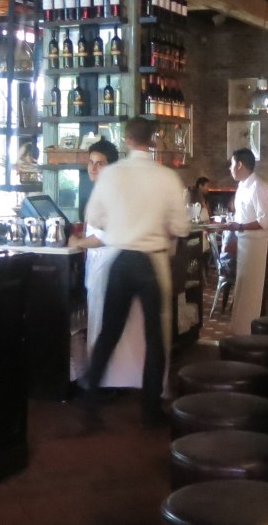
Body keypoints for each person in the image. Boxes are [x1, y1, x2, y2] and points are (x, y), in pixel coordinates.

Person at [82, 118, 190, 426]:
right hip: (151, 261)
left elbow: (94, 218)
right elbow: (181, 227)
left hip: (120, 259)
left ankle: (89, 402)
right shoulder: (166, 177)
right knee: (155, 338)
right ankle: (150, 410)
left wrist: (122, 225)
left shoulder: (112, 174)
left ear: (127, 139)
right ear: (152, 139)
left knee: (109, 332)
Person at [70, 139, 145, 390]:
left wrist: (78, 243)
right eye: (90, 163)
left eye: (99, 163)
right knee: (102, 322)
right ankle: (104, 380)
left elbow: (104, 236)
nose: (93, 168)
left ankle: (100, 382)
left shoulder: (111, 193)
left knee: (101, 323)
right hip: (102, 264)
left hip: (106, 264)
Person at [222, 147, 268, 336]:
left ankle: (247, 334)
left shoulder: (259, 187)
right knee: (242, 288)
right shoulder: (242, 186)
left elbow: (267, 220)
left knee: (251, 292)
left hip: (255, 246)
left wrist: (241, 227)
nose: (230, 168)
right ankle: (238, 331)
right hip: (243, 243)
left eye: (232, 164)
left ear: (240, 165)